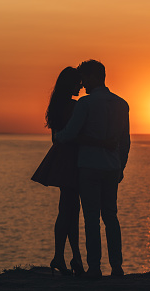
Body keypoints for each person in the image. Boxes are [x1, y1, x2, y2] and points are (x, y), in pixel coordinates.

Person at [55, 59, 130, 279]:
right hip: (112, 167)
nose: (83, 83)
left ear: (95, 77)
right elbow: (126, 141)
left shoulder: (85, 104)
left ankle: (95, 267)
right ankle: (117, 267)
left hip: (89, 166)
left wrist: (57, 137)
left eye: (85, 78)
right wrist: (121, 166)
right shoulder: (121, 103)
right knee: (111, 217)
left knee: (91, 219)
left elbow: (70, 132)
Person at [31, 67, 85, 276]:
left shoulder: (57, 105)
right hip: (72, 160)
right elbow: (76, 133)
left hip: (61, 158)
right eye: (78, 82)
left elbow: (55, 137)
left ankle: (68, 257)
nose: (81, 86)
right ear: (71, 84)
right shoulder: (74, 106)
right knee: (70, 210)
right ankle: (66, 257)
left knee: (68, 210)